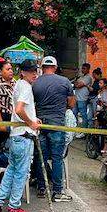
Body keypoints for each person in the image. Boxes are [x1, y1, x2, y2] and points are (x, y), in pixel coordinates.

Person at [0, 59, 42, 212]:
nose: (35, 74)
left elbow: (20, 109)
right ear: (23, 72)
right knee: (21, 173)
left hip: (15, 136)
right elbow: (19, 110)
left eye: (36, 71)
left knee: (12, 170)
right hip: (24, 136)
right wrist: (31, 123)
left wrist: (33, 119)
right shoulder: (25, 87)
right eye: (31, 71)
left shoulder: (18, 84)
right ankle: (13, 206)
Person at [32, 56, 75, 201]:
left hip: (40, 124)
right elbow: (72, 104)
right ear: (55, 67)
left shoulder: (35, 82)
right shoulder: (64, 82)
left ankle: (41, 188)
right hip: (57, 124)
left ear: (42, 67)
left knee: (41, 157)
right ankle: (57, 191)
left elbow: (31, 104)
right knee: (57, 158)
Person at [73, 63, 95, 129]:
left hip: (82, 99)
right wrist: (77, 83)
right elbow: (75, 84)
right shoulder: (81, 77)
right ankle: (74, 128)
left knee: (83, 115)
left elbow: (78, 85)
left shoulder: (88, 77)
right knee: (74, 114)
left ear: (88, 69)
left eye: (84, 68)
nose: (82, 70)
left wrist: (77, 83)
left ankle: (84, 129)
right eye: (82, 68)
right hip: (76, 98)